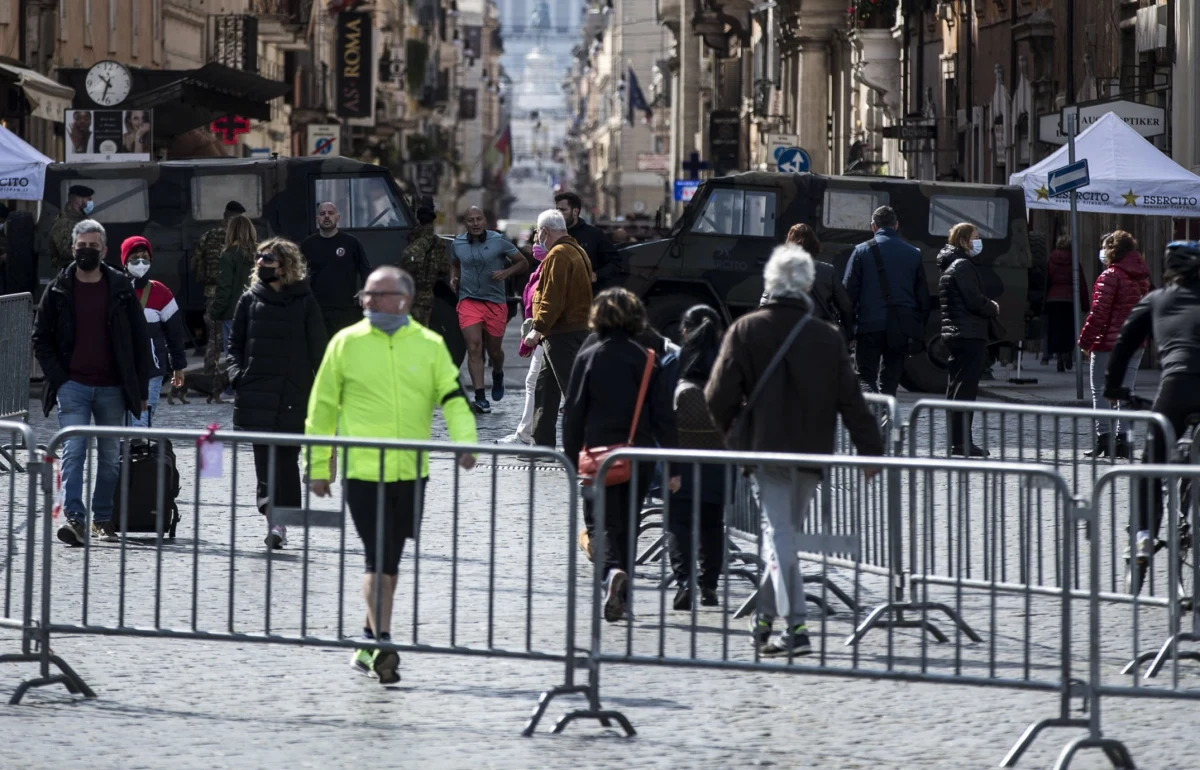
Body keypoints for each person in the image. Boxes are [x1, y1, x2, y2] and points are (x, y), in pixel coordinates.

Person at [706, 243, 883, 658]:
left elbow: (717, 398)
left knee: (778, 536)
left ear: (771, 284)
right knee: (782, 536)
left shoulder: (746, 330)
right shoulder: (826, 336)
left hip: (765, 449)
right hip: (811, 450)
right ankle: (766, 621)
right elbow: (851, 400)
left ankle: (797, 626)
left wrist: (731, 433)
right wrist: (870, 450)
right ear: (805, 286)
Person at [306, 266, 477, 685]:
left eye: (373, 294)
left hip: (411, 472)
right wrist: (317, 465)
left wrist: (466, 441)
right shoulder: (345, 343)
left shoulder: (429, 344)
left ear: (400, 300)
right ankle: (382, 641)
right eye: (364, 295)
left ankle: (368, 641)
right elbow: (322, 406)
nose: (365, 300)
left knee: (390, 561)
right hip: (363, 472)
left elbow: (453, 397)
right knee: (377, 556)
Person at [562, 288, 679, 623]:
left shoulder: (589, 354)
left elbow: (573, 413)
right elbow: (662, 417)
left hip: (598, 454)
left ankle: (610, 574)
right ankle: (622, 599)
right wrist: (673, 465)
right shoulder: (646, 357)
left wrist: (570, 458)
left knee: (598, 523)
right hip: (638, 454)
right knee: (628, 524)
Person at [32, 219, 150, 546]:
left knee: (110, 455)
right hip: (74, 387)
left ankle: (101, 518)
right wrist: (60, 379)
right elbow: (40, 338)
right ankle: (74, 518)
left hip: (114, 386)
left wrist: (140, 390)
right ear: (72, 249)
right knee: (74, 450)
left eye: (92, 247)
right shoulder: (58, 289)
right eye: (81, 247)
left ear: (105, 250)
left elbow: (140, 340)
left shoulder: (121, 288)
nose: (86, 252)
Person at [226, 238, 328, 550]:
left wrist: (324, 392)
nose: (260, 263)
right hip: (257, 393)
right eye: (258, 258)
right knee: (264, 463)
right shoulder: (249, 299)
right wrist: (236, 376)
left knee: (286, 461)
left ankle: (285, 520)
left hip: (294, 394)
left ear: (284, 264)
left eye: (267, 258)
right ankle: (274, 521)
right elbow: (235, 344)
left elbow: (319, 350)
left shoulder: (304, 300)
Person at [1105, 241, 1200, 571]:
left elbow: (1124, 343)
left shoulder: (1156, 299)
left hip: (1177, 386)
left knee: (1151, 463)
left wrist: (1113, 387)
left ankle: (1145, 534)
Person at [666, 304, 727, 611]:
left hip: (680, 455)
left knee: (678, 521)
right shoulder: (727, 362)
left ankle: (684, 581)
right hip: (718, 454)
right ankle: (710, 586)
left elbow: (661, 410)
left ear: (685, 330)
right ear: (718, 332)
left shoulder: (675, 361)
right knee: (712, 523)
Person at [1077, 230, 1151, 459]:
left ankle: (1105, 439)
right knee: (1126, 390)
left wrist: (1086, 341)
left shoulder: (1111, 275)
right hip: (1136, 342)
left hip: (1108, 343)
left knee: (1100, 390)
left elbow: (1099, 313)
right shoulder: (1142, 276)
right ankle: (1125, 442)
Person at [842, 205, 931, 395]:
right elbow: (922, 297)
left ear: (873, 226)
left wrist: (849, 330)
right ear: (896, 225)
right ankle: (886, 417)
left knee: (865, 376)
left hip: (869, 325)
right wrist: (916, 329)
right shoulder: (913, 254)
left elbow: (847, 296)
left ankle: (873, 414)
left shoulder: (860, 251)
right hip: (900, 326)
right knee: (891, 378)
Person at [524, 209, 593, 448]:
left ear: (544, 231)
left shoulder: (558, 255)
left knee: (572, 392)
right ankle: (541, 444)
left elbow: (553, 297)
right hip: (564, 331)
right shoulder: (576, 250)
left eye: (538, 233)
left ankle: (588, 447)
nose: (537, 238)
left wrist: (537, 328)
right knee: (545, 388)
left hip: (563, 333)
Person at [450, 206, 528, 413]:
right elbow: (455, 264)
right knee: (474, 347)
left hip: (495, 302)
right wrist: (453, 277)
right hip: (469, 301)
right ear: (465, 223)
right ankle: (480, 397)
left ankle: (498, 373)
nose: (475, 223)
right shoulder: (457, 243)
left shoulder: (498, 241)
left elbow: (523, 262)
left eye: (478, 219)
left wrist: (507, 272)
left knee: (494, 351)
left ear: (485, 221)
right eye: (470, 220)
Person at [937, 223, 1000, 457]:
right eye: (975, 236)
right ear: (963, 240)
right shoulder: (962, 266)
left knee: (956, 388)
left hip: (956, 333)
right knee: (964, 390)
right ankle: (962, 443)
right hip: (968, 334)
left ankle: (958, 441)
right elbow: (974, 301)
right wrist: (992, 307)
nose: (979, 240)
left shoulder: (949, 265)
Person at [120, 236, 187, 427]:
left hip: (152, 370)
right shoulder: (115, 290)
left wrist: (178, 367)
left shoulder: (161, 293)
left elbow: (174, 333)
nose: (140, 263)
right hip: (120, 371)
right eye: (134, 258)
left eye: (145, 258)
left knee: (140, 424)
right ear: (124, 261)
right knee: (120, 426)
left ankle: (136, 453)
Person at [498, 241, 549, 447]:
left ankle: (529, 435)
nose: (535, 244)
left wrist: (537, 330)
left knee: (547, 386)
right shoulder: (542, 267)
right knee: (536, 384)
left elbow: (550, 302)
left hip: (549, 335)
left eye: (539, 239)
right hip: (544, 335)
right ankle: (528, 434)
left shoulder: (555, 264)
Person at [301, 201, 372, 340]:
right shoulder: (308, 245)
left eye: (330, 213)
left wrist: (365, 290)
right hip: (317, 309)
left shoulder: (351, 243)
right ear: (317, 219)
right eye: (322, 214)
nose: (326, 216)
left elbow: (365, 269)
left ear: (338, 218)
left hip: (345, 308)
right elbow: (297, 273)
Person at [192, 200, 246, 384]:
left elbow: (197, 264)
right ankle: (236, 377)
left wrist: (205, 281)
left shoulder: (208, 236)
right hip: (236, 294)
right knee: (237, 336)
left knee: (214, 339)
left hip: (212, 293)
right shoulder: (242, 240)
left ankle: (209, 379)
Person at [782, 223, 854, 341]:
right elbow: (845, 306)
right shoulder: (828, 271)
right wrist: (849, 334)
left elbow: (767, 302)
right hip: (819, 333)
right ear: (814, 244)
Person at [210, 213, 257, 369]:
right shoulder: (258, 255)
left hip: (233, 314)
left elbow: (224, 290)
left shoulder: (228, 256)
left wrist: (215, 312)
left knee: (234, 356)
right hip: (256, 312)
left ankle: (234, 389)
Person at [400, 196, 448, 326]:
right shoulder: (438, 242)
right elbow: (444, 268)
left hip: (414, 295)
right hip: (428, 295)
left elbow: (408, 259)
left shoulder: (418, 240)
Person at [555, 192, 617, 291]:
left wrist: (596, 275)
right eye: (557, 210)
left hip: (587, 294)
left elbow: (615, 263)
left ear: (575, 211)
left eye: (562, 210)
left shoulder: (594, 234)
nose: (558, 214)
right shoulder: (553, 234)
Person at [1043, 235, 1086, 372]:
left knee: (1055, 329)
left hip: (1053, 299)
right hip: (1069, 299)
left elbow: (1046, 281)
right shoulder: (1074, 261)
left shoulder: (1050, 261)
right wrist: (1085, 304)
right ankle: (1067, 351)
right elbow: (1081, 283)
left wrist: (1042, 302)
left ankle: (1059, 357)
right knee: (1069, 328)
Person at [48, 185, 95, 272]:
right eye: (88, 199)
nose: (91, 202)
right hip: (66, 275)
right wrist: (89, 251)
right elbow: (65, 252)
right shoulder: (64, 222)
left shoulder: (83, 220)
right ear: (78, 200)